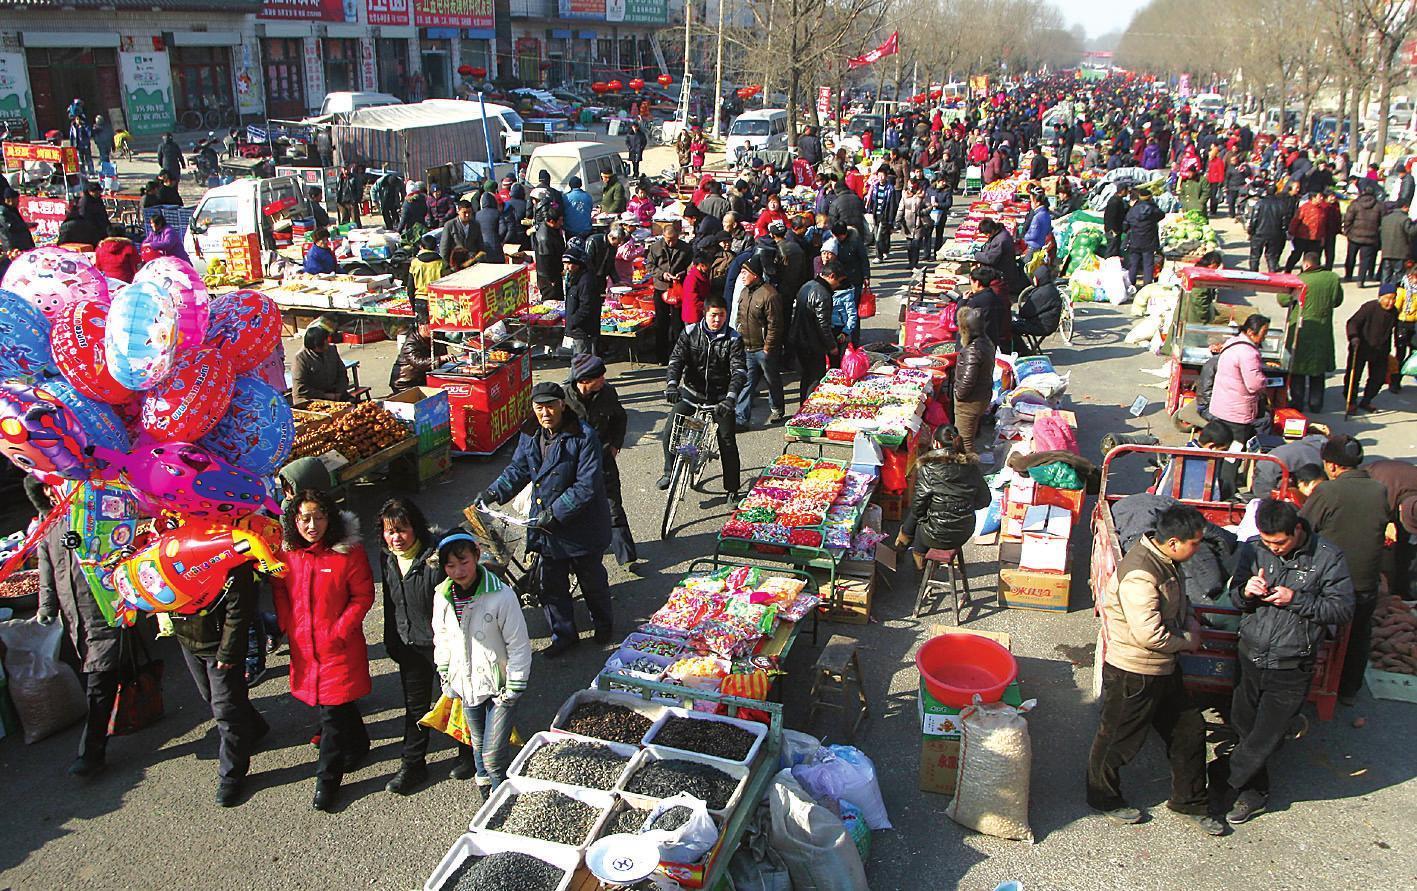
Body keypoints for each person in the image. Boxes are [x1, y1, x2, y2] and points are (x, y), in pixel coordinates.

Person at [1088, 504, 1221, 834]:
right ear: (1174, 542)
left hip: (1164, 668)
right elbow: (1149, 634)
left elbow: (1179, 605)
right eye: (1195, 543)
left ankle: (1189, 801)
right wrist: (1189, 640)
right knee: (1118, 739)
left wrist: (1189, 620)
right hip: (1135, 672)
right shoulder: (1141, 575)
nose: (1199, 549)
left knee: (1189, 731)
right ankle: (1102, 797)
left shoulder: (1167, 562)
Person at [1225, 499, 1354, 825]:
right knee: (1245, 725)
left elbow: (1341, 610)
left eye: (1279, 543)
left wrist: (1296, 600)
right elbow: (1235, 597)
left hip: (1292, 660)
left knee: (1267, 733)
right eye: (1268, 542)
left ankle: (1222, 781)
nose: (1274, 549)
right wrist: (1247, 592)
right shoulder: (1254, 549)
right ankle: (1253, 791)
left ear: (1297, 529)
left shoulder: (1328, 557)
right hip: (1250, 652)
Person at [479, 382, 613, 657]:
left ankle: (603, 624)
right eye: (539, 407)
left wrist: (556, 513)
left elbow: (586, 486)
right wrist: (493, 492)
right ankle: (564, 635)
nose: (545, 412)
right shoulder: (530, 434)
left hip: (581, 525)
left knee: (591, 580)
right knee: (550, 584)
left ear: (562, 405)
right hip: (546, 526)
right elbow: (518, 470)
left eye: (551, 406)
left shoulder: (583, 436)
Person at [273, 489, 375, 811]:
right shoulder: (287, 553)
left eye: (318, 516)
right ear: (294, 520)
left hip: (338, 646)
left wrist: (339, 630)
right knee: (337, 705)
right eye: (304, 518)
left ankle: (327, 781)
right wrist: (287, 624)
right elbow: (279, 589)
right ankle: (359, 744)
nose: (312, 525)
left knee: (331, 713)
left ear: (329, 517)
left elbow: (363, 596)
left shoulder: (348, 553)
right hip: (305, 646)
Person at [29, 478, 122, 779]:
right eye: (45, 487)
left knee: (99, 680)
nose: (52, 490)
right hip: (73, 620)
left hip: (101, 612)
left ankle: (91, 753)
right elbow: (47, 574)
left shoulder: (93, 514)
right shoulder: (48, 527)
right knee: (98, 679)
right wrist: (46, 608)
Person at [430, 529, 531, 791]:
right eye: (450, 565)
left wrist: (515, 686)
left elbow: (518, 643)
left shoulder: (501, 595)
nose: (459, 570)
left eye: (464, 562)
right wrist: (445, 673)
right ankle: (486, 795)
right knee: (477, 743)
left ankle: (501, 806)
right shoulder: (442, 595)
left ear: (476, 555)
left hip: (499, 687)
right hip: (466, 685)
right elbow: (441, 637)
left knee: (493, 757)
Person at [1300, 434, 1389, 704]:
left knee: (1311, 627)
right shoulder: (1379, 490)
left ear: (1332, 466)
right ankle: (1349, 689)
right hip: (1365, 582)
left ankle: (1306, 680)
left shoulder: (1328, 492)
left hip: (1331, 583)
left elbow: (1303, 529)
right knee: (1359, 633)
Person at [660, 297, 746, 498]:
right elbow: (676, 361)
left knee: (727, 442)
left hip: (720, 398)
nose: (717, 320)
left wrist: (730, 398)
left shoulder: (733, 339)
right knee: (670, 430)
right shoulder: (690, 333)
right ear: (705, 314)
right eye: (713, 315)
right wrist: (672, 385)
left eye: (721, 315)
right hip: (691, 393)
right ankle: (668, 471)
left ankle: (732, 489)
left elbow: (739, 371)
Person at [563, 354, 637, 566]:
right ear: (585, 380)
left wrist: (615, 444)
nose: (604, 379)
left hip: (603, 459)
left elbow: (619, 418)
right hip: (573, 465)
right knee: (573, 511)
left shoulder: (608, 394)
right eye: (600, 377)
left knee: (613, 506)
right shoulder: (563, 400)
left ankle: (626, 557)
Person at [894, 424, 992, 569]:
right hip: (964, 530)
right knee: (921, 515)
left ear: (936, 444)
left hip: (936, 534)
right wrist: (965, 504)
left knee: (917, 517)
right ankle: (902, 548)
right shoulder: (971, 467)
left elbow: (918, 507)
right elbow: (985, 500)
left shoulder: (928, 469)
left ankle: (909, 556)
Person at [1281, 251, 1342, 413]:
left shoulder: (1299, 280)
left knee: (1298, 368)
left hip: (1300, 330)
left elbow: (1282, 299)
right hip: (1322, 330)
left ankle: (1297, 403)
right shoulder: (1333, 278)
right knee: (1317, 369)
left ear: (1306, 264)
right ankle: (1316, 403)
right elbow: (1337, 301)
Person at [735, 255, 785, 428]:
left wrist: (768, 348)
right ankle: (741, 418)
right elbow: (739, 317)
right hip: (747, 346)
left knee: (772, 380)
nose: (741, 275)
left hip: (764, 349)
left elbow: (775, 325)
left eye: (744, 272)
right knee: (746, 382)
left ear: (754, 274)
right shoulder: (744, 292)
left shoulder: (769, 295)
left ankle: (777, 408)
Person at [1208, 314, 1269, 448]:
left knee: (1220, 448)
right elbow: (1254, 384)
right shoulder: (1248, 353)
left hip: (1220, 407)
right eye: (1264, 333)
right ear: (1250, 332)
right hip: (1237, 414)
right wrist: (1266, 381)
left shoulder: (1232, 342)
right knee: (1233, 453)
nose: (1265, 337)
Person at [792, 260, 845, 402]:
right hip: (812, 343)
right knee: (815, 378)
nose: (838, 286)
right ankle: (809, 409)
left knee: (806, 377)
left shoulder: (807, 285)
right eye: (838, 282)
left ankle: (803, 405)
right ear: (832, 276)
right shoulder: (823, 294)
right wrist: (832, 346)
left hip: (799, 339)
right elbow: (823, 325)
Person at [1367, 458, 1417, 601]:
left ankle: (1406, 590)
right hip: (1380, 477)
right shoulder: (1380, 495)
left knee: (1409, 548)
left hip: (1399, 486)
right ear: (1399, 509)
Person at [1345, 283, 1398, 412]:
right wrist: (1354, 337)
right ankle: (1351, 401)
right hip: (1361, 346)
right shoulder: (1369, 308)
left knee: (1378, 378)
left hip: (1380, 350)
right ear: (1380, 297)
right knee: (1354, 376)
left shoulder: (1394, 312)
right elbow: (1353, 322)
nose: (1390, 302)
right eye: (1387, 298)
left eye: (1393, 299)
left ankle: (1366, 401)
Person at [648, 220, 693, 364]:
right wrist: (662, 274)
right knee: (661, 323)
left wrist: (682, 273)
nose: (671, 243)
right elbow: (649, 265)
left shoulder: (685, 248)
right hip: (661, 288)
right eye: (668, 240)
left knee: (677, 324)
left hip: (678, 289)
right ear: (663, 237)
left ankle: (677, 355)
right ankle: (661, 356)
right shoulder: (655, 247)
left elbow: (690, 265)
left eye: (674, 240)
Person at [953, 307, 995, 453]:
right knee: (971, 433)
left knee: (964, 441)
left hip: (970, 402)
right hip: (982, 396)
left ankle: (971, 471)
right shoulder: (986, 342)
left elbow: (967, 381)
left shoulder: (973, 350)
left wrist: (959, 395)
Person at [292, 325, 352, 403]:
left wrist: (339, 392)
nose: (327, 344)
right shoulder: (300, 358)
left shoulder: (332, 350)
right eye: (324, 342)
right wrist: (325, 395)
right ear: (315, 346)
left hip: (334, 393)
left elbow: (342, 373)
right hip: (311, 398)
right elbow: (300, 389)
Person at [562, 244, 602, 357]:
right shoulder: (574, 278)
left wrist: (572, 322)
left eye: (569, 264)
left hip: (583, 329)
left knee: (582, 360)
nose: (566, 267)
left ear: (578, 264)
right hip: (577, 328)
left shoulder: (586, 281)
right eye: (565, 264)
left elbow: (586, 306)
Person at [1342, 184, 1383, 285]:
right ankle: (1361, 279)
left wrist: (1347, 231)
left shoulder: (1355, 204)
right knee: (1365, 260)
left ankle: (1348, 275)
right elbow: (1382, 222)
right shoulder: (1379, 206)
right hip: (1371, 238)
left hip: (1354, 236)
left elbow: (1348, 219)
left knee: (1351, 257)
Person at [1124, 188, 1165, 286]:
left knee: (1133, 264)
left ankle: (1130, 285)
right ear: (1150, 198)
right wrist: (1153, 205)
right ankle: (1147, 285)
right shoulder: (1153, 210)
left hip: (1134, 240)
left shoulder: (1133, 210)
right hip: (1149, 241)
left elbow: (1126, 223)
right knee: (1148, 265)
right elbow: (1162, 215)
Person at [1246, 185, 1290, 273]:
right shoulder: (1281, 204)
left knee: (1255, 256)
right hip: (1275, 234)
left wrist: (1251, 231)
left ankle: (1253, 275)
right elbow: (1284, 222)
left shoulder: (1259, 203)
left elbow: (1254, 220)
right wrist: (1282, 233)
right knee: (1271, 257)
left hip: (1259, 233)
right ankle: (1272, 273)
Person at [964, 265, 1011, 347]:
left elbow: (959, 322)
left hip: (982, 343)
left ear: (977, 283)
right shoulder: (996, 293)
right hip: (996, 337)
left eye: (971, 282)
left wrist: (963, 301)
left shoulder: (978, 301)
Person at [1014, 264, 1063, 340]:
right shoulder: (1051, 288)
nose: (1033, 280)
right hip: (1049, 324)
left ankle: (1021, 350)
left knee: (1010, 327)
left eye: (1035, 278)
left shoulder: (1041, 293)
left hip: (1042, 326)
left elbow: (1024, 313)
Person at [896, 176, 933, 270]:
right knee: (909, 245)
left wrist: (922, 212)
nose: (911, 188)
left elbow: (930, 206)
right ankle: (910, 262)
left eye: (912, 186)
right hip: (907, 223)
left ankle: (915, 263)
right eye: (909, 186)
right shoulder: (905, 195)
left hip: (919, 223)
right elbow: (901, 208)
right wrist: (898, 220)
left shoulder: (922, 195)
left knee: (916, 245)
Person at [532, 207, 567, 304]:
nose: (561, 223)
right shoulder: (544, 238)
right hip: (548, 277)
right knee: (552, 302)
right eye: (559, 221)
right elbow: (545, 261)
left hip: (556, 273)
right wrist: (551, 280)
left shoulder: (553, 229)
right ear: (551, 221)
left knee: (559, 300)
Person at [390, 321, 435, 392]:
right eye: (429, 326)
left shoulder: (433, 339)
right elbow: (418, 362)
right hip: (405, 383)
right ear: (420, 325)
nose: (432, 329)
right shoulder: (410, 343)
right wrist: (439, 359)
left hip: (421, 379)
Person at [1379, 202, 1415, 284]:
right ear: (1404, 206)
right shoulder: (1405, 219)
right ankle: (1398, 295)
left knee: (1385, 276)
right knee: (1400, 277)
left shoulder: (1385, 218)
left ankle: (1384, 294)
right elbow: (1411, 232)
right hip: (1400, 253)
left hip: (1386, 252)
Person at [439, 200, 484, 266]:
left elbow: (480, 244)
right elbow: (444, 247)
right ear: (458, 212)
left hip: (472, 261)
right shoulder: (450, 225)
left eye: (469, 212)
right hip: (455, 264)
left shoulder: (476, 224)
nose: (467, 215)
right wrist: (446, 265)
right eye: (464, 212)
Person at [409, 234, 450, 305]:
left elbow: (410, 286)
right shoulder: (442, 263)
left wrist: (413, 305)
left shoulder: (415, 263)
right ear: (435, 247)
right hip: (439, 300)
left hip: (420, 300)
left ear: (421, 246)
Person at [1395, 261, 1417, 392]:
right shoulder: (1402, 289)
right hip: (1403, 323)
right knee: (1400, 354)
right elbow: (1396, 308)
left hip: (1415, 324)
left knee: (1414, 353)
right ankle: (1395, 381)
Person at [472, 192, 505, 264]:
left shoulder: (476, 215)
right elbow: (503, 229)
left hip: (481, 248)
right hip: (496, 247)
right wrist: (499, 239)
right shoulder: (497, 213)